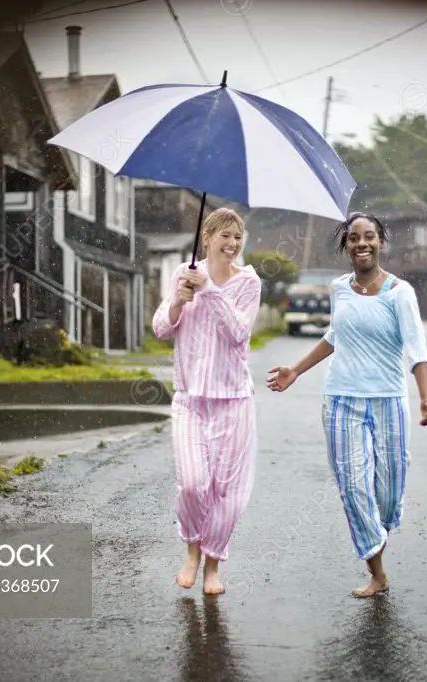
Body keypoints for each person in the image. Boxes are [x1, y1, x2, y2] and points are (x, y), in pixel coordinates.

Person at [266, 212, 427, 598]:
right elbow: (334, 335)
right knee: (353, 485)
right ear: (346, 246)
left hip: (389, 400)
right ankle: (377, 571)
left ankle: (377, 534)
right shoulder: (339, 288)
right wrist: (296, 370)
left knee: (389, 489)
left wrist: (425, 397)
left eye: (369, 237)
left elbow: (417, 348)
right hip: (341, 399)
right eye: (354, 238)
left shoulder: (400, 292)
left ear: (381, 242)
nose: (362, 243)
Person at [151, 207, 262, 596]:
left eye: (238, 237)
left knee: (226, 492)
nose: (232, 244)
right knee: (193, 485)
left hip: (233, 399)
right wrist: (179, 301)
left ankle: (213, 564)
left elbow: (238, 332)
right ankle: (191, 551)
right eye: (225, 236)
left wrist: (210, 292)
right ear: (207, 238)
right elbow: (161, 328)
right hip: (190, 400)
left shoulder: (248, 282)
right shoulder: (185, 273)